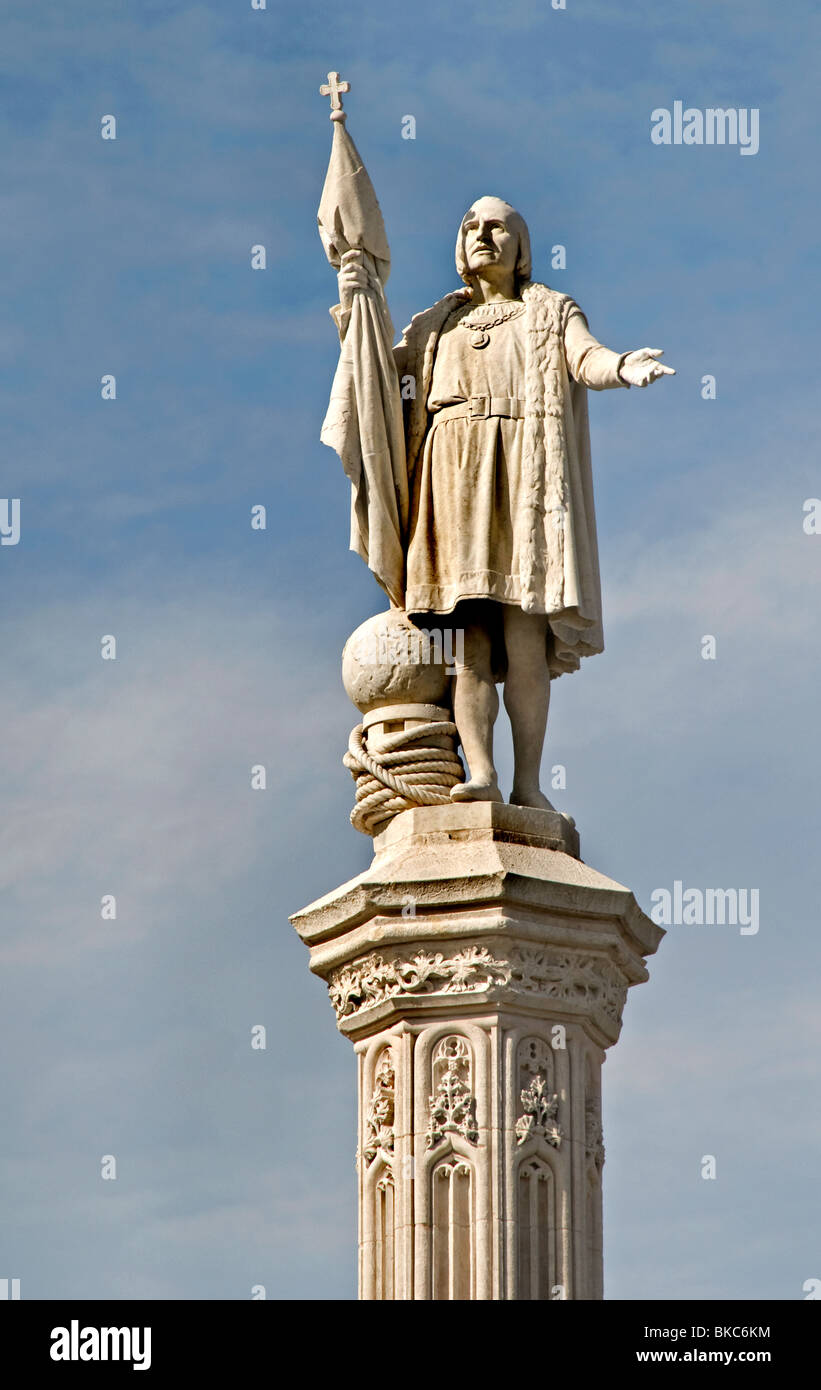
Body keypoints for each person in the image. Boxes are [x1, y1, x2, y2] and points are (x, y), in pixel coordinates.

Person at [337, 196, 674, 808]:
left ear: (522, 251)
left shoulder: (546, 312)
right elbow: (384, 391)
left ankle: (529, 784)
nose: (481, 234)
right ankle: (483, 775)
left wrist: (623, 366)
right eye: (470, 225)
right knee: (468, 645)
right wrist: (357, 309)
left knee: (523, 637)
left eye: (497, 226)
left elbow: (585, 358)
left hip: (523, 479)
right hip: (450, 478)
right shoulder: (436, 324)